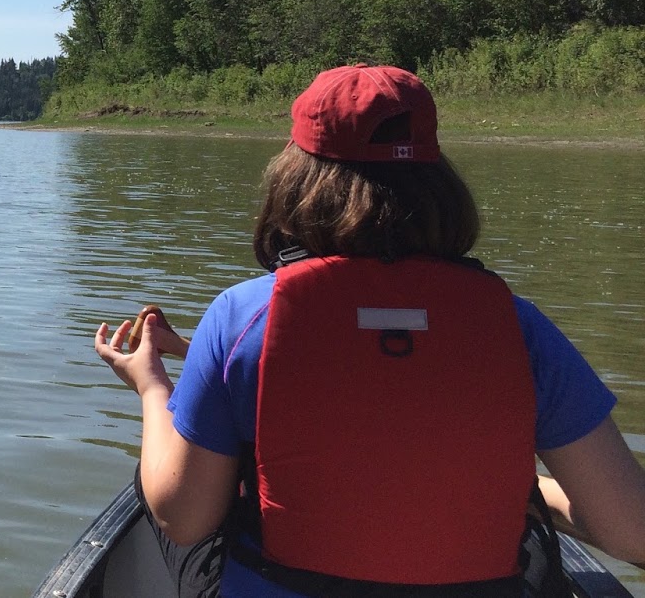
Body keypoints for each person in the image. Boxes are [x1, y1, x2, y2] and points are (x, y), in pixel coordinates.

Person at [93, 64, 645, 597]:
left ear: (294, 180)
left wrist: (154, 386)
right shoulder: (517, 326)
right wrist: (522, 494)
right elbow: (631, 532)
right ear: (436, 181)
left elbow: (183, 519)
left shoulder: (241, 316)